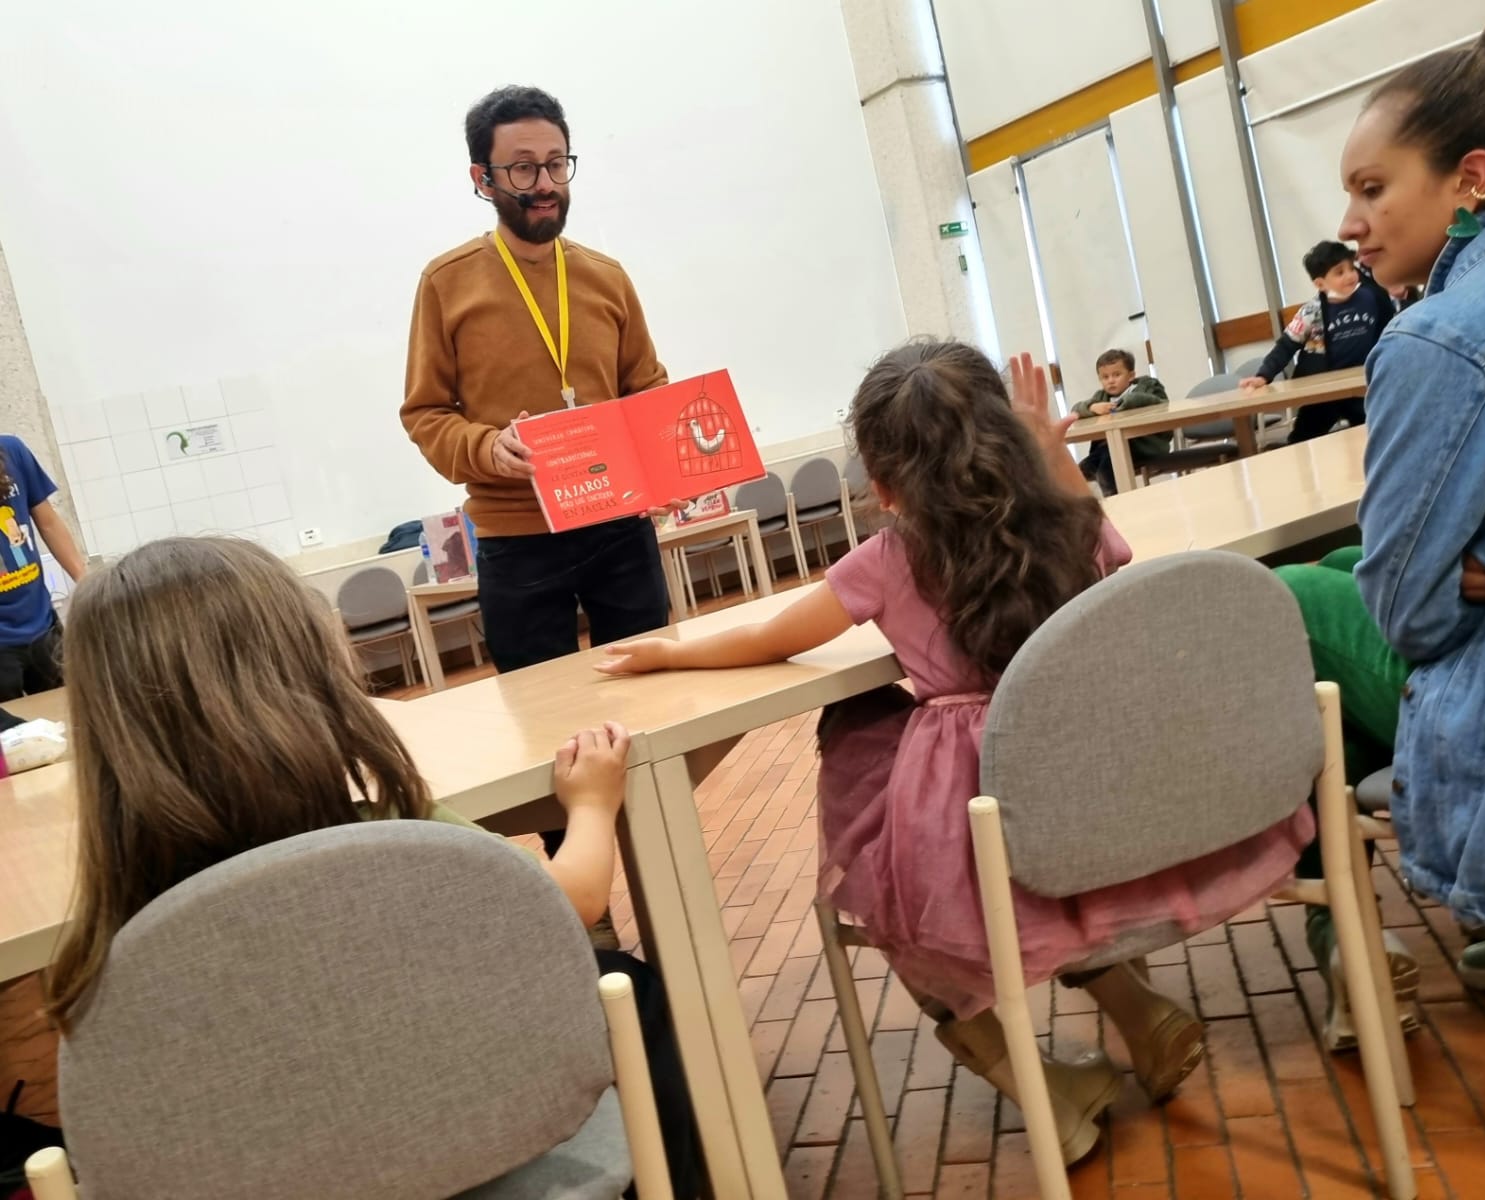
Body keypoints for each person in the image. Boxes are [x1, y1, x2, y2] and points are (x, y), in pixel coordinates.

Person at [595, 342, 1315, 1166]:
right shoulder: (1070, 521)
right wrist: (1060, 464)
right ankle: (1140, 1021)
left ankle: (1046, 1092)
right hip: (1105, 791)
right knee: (1024, 893)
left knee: (896, 886)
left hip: (979, 827)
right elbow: (1118, 574)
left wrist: (668, 652)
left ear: (883, 477)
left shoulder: (890, 559)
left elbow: (771, 638)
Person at [35, 538, 701, 1198]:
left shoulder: (110, 941)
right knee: (624, 984)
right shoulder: (401, 838)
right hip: (479, 1147)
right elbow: (571, 902)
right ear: (314, 668)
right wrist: (589, 805)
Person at [1281, 12, 1485, 996]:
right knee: (1346, 569)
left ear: (1470, 178)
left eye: (1371, 188)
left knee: (1277, 598)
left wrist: (1478, 560)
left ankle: (1353, 932)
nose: (1348, 221)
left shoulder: (1439, 338)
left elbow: (1411, 616)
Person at [401, 85, 684, 945]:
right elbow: (425, 415)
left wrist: (665, 451)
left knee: (656, 708)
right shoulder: (447, 284)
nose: (543, 182)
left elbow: (650, 389)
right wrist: (490, 449)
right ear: (481, 178)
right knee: (551, 736)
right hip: (519, 547)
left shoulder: (604, 276)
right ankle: (585, 924)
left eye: (555, 162)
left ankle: (669, 879)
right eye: (521, 167)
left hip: (620, 531)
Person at [1240, 240, 1396, 442]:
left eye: (1351, 269)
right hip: (1325, 391)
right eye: (1339, 272)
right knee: (1302, 438)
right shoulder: (1311, 311)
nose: (1349, 276)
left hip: (1361, 387)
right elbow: (1286, 345)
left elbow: (1390, 329)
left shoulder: (1372, 298)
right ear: (1320, 283)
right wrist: (1264, 375)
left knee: (1377, 434)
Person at [0, 436, 84, 702]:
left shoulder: (12, 451)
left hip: (43, 625)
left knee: (73, 714)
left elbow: (48, 523)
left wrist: (84, 581)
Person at [1069, 349, 1169, 496]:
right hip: (1109, 448)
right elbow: (1076, 410)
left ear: (1131, 376)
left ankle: (1117, 502)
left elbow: (1161, 403)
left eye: (1116, 375)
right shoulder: (1101, 397)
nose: (1110, 380)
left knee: (1106, 469)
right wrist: (1092, 407)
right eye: (1105, 377)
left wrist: (1126, 402)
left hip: (1143, 446)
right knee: (1081, 471)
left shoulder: (1148, 387)